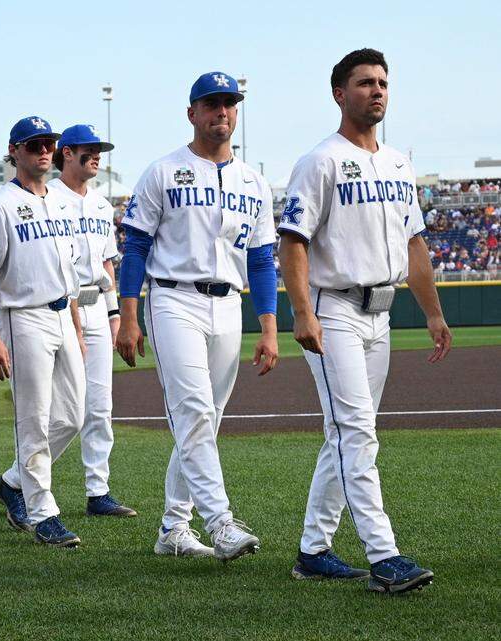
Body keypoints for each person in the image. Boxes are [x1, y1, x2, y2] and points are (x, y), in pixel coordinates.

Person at [278, 48, 450, 593]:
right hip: (335, 311)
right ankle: (384, 554)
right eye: (364, 83)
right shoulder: (320, 160)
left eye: (382, 83)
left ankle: (312, 549)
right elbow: (294, 241)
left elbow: (415, 243)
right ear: (339, 94)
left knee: (344, 434)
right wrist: (303, 312)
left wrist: (434, 313)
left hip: (381, 310)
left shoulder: (399, 162)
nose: (376, 91)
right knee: (358, 433)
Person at [116, 73, 278, 561]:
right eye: (212, 104)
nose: (221, 112)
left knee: (206, 421)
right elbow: (136, 246)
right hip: (173, 299)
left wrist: (270, 327)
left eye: (229, 104)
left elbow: (263, 258)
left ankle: (173, 529)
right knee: (193, 412)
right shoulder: (163, 171)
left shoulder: (254, 181)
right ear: (192, 113)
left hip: (229, 304)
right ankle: (220, 522)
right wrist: (128, 316)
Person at [0, 116, 87, 548]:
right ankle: (43, 514)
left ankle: (12, 482)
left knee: (73, 416)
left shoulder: (59, 201)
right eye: (34, 143)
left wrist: (75, 328)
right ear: (14, 151)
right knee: (34, 419)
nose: (43, 150)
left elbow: (69, 273)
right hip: (23, 317)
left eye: (48, 143)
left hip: (60, 314)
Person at [48, 124, 137, 518]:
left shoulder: (102, 205)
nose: (97, 155)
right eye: (89, 149)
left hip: (97, 305)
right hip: (59, 307)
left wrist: (115, 313)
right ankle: (24, 482)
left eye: (99, 149)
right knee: (57, 409)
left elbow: (106, 263)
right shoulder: (48, 198)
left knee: (99, 405)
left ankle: (97, 491)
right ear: (66, 153)